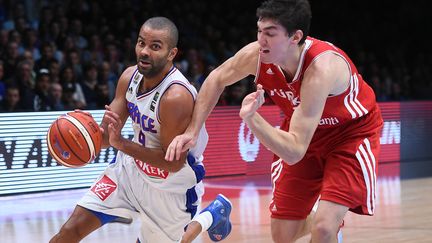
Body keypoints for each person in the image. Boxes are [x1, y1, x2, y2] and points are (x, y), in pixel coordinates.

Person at [165, 0, 383, 242]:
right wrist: (193, 130)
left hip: (349, 134)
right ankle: (326, 218)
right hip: (302, 129)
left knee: (323, 230)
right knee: (282, 236)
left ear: (295, 37)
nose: (261, 40)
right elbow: (217, 78)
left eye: (270, 34)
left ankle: (328, 221)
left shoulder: (321, 69)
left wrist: (251, 118)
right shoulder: (256, 57)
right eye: (259, 31)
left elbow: (294, 151)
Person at [50, 17, 232, 243]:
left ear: (171, 54)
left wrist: (122, 144)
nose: (144, 51)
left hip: (168, 185)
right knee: (69, 232)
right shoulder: (129, 77)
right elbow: (107, 137)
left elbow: (173, 162)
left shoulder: (176, 96)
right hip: (129, 172)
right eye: (141, 43)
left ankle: (211, 215)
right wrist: (84, 130)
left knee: (184, 239)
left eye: (155, 46)